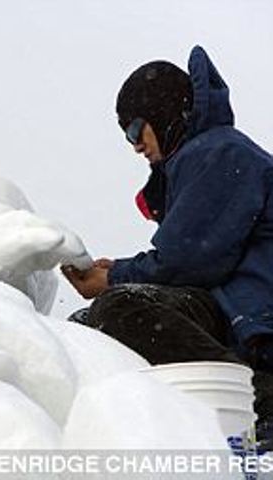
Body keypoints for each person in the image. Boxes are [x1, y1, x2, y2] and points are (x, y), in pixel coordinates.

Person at [61, 45, 273, 447]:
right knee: (86, 329)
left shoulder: (219, 151)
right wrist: (117, 271)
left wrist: (112, 281)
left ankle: (259, 400)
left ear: (162, 113)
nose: (134, 145)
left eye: (133, 128)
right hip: (233, 315)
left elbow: (191, 258)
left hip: (254, 318)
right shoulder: (198, 158)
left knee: (118, 307)